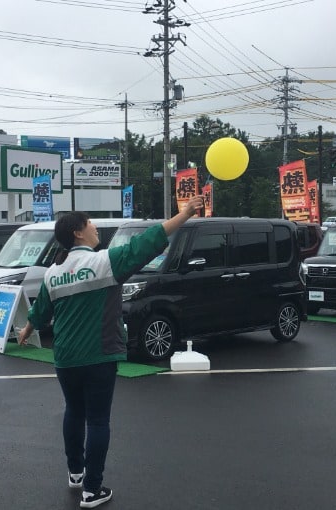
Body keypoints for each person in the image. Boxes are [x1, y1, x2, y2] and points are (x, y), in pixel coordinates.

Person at [18, 195, 205, 509]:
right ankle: (93, 490)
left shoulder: (53, 272)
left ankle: (75, 473)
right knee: (98, 421)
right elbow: (147, 242)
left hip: (65, 358)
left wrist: (26, 329)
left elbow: (41, 312)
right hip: (100, 355)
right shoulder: (103, 261)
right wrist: (184, 215)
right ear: (78, 232)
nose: (94, 227)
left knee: (73, 412)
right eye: (89, 222)